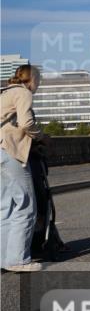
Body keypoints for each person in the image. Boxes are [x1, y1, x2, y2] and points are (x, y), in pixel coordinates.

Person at [1, 65, 43, 273]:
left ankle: (4, 258)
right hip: (11, 152)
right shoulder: (23, 92)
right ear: (32, 79)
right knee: (25, 206)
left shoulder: (4, 93)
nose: (39, 84)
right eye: (39, 80)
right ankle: (18, 259)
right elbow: (26, 123)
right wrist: (41, 136)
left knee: (5, 208)